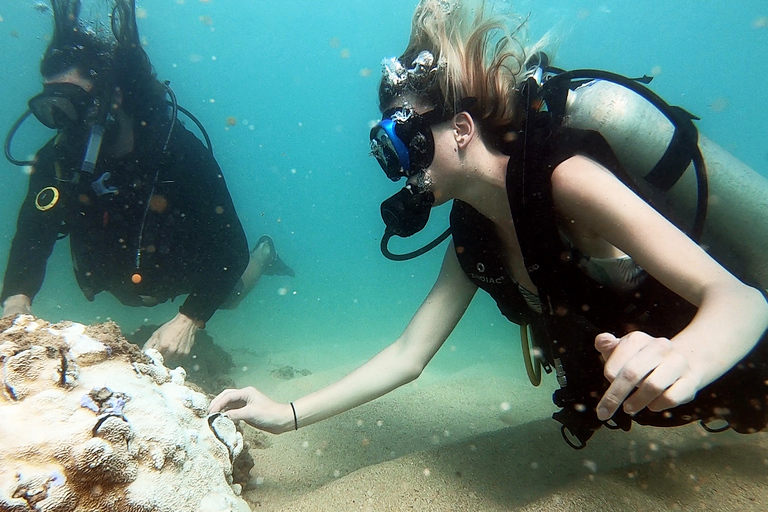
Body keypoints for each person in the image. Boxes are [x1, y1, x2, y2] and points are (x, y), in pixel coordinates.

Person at [210, 0, 768, 447]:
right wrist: (286, 413)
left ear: (460, 127)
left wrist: (684, 358)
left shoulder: (564, 180)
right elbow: (409, 356)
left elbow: (742, 301)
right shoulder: (472, 235)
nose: (402, 171)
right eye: (390, 155)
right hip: (657, 400)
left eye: (407, 144)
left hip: (739, 368)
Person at [1, 0, 294, 358]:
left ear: (115, 97)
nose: (65, 121)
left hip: (182, 267)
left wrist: (190, 318)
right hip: (119, 276)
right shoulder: (58, 159)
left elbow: (230, 249)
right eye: (52, 107)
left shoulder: (178, 152)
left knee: (229, 297)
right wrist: (16, 300)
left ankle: (264, 255)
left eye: (74, 103)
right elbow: (33, 235)